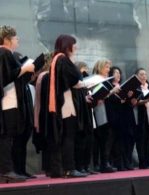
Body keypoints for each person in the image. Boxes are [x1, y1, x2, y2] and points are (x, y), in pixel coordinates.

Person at [46, 34, 88, 178]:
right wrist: (85, 83)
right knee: (68, 137)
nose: (75, 47)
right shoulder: (63, 59)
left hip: (65, 101)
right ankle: (69, 168)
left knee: (66, 137)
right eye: (74, 44)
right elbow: (73, 79)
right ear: (67, 45)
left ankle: (63, 168)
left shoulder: (57, 59)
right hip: (66, 103)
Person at [0, 25, 35, 183]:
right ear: (7, 39)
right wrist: (24, 68)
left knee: (9, 137)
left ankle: (10, 169)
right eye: (15, 38)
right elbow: (6, 76)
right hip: (8, 102)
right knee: (6, 137)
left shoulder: (6, 54)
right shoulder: (4, 52)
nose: (18, 40)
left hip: (10, 100)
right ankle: (6, 170)